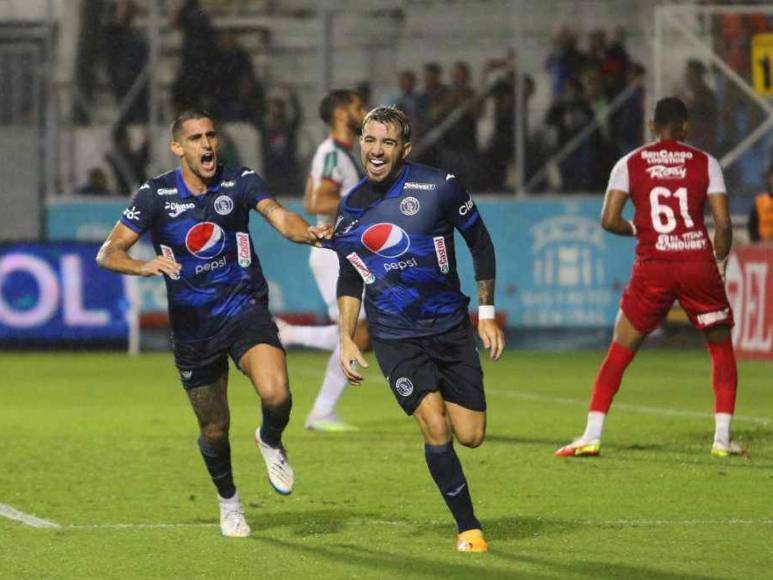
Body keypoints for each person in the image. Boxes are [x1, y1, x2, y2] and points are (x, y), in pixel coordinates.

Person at [96, 110, 330, 538]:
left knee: (277, 394)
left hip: (243, 307)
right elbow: (108, 252)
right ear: (178, 147)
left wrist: (306, 232)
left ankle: (270, 439)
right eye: (196, 138)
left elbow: (279, 215)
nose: (207, 145)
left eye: (211, 136)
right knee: (214, 428)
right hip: (193, 326)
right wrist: (143, 266)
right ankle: (230, 502)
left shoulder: (239, 180)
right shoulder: (155, 195)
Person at [327, 106, 505, 552]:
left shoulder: (440, 187)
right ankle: (469, 528)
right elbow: (350, 275)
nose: (376, 150)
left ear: (404, 149)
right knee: (435, 425)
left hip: (449, 327)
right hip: (395, 335)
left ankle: (463, 505)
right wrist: (347, 336)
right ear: (360, 144)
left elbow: (480, 243)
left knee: (472, 435)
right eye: (369, 140)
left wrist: (485, 314)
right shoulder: (350, 208)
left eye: (387, 142)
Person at [554, 97, 744, 459]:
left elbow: (608, 219)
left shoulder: (630, 163)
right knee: (720, 347)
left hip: (653, 265)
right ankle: (722, 438)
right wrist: (718, 262)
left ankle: (591, 434)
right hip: (695, 262)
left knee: (621, 348)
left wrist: (643, 230)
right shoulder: (707, 163)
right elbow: (723, 225)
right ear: (686, 128)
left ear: (652, 126)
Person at [277, 89, 369, 432]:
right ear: (342, 112)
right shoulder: (333, 153)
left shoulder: (338, 154)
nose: (364, 112)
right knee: (356, 333)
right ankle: (321, 412)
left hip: (342, 253)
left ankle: (289, 333)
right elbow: (316, 202)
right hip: (334, 253)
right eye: (359, 107)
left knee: (360, 333)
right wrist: (365, 207)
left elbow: (309, 194)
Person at [748, 165, 773, 243]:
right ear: (769, 179)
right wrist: (758, 242)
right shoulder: (760, 201)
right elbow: (752, 227)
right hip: (763, 247)